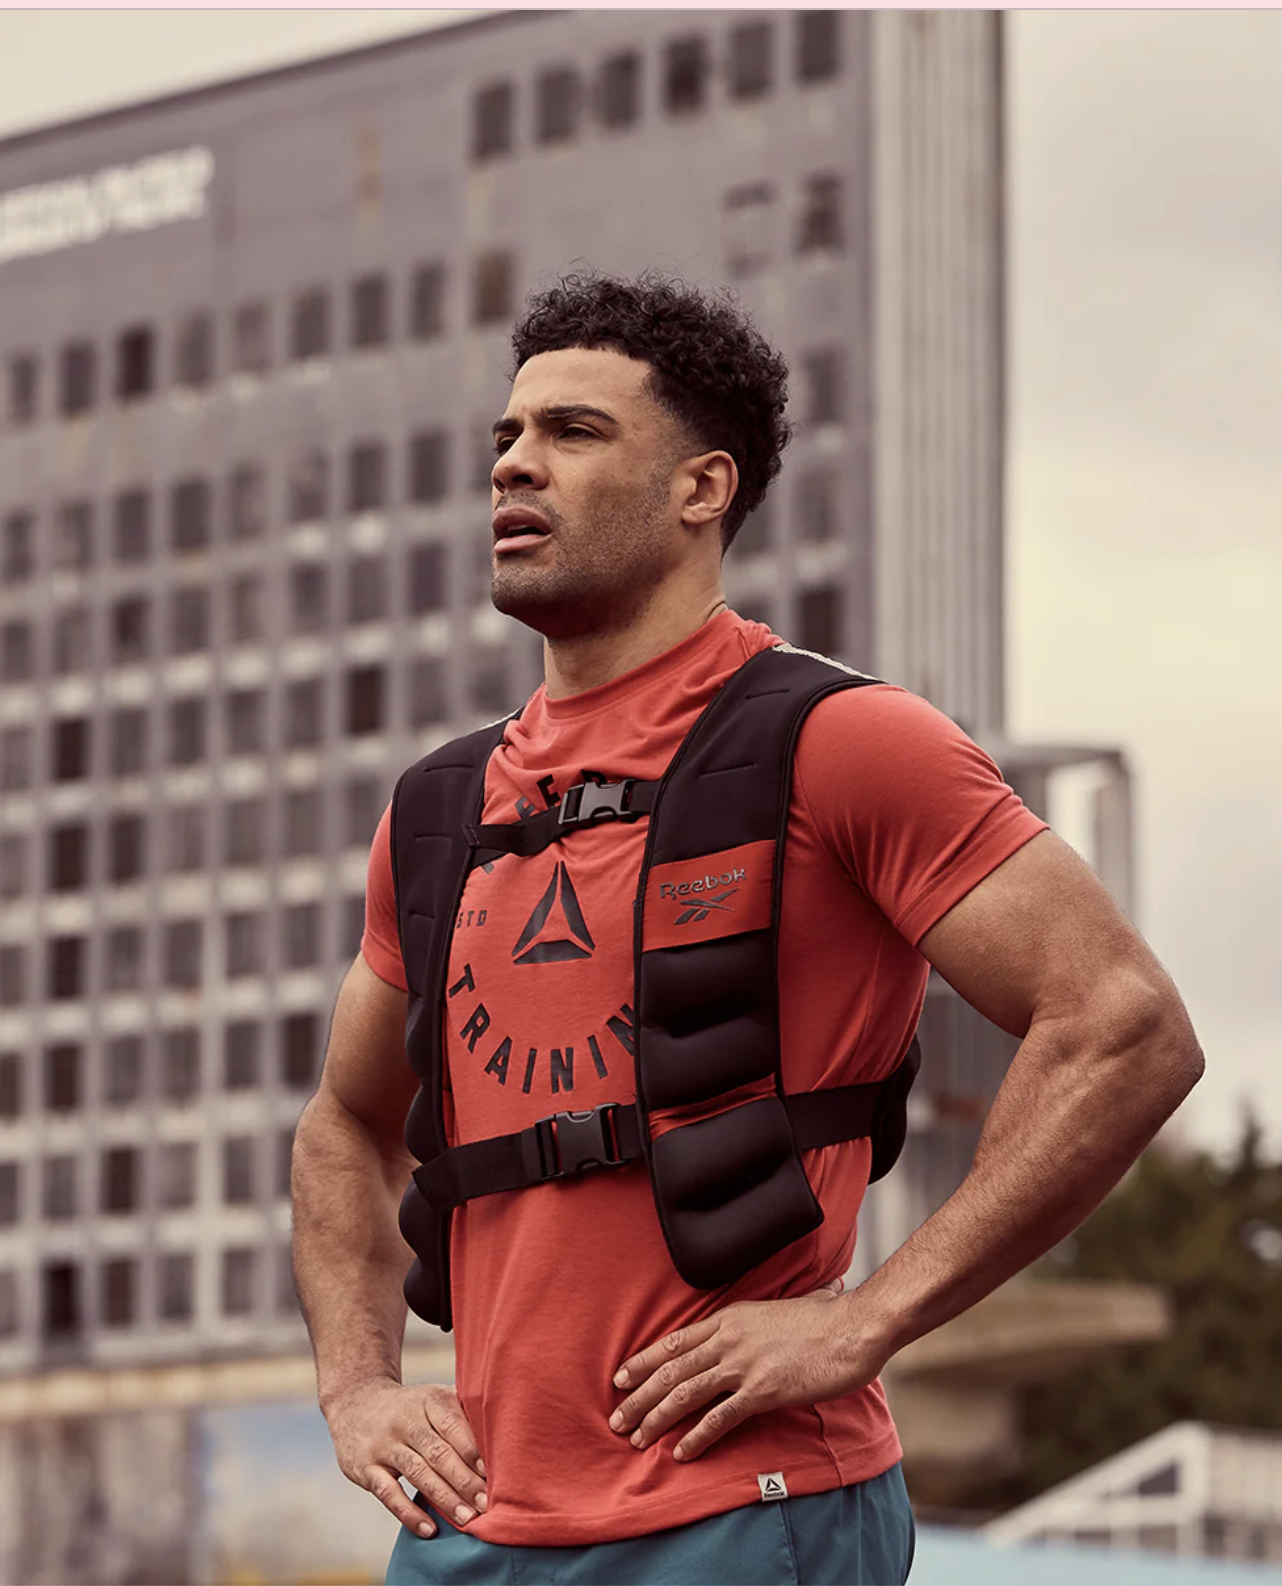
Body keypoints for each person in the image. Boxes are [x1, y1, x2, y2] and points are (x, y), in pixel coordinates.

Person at [291, 270, 1204, 1586]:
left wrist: (869, 1318)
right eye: (507, 435)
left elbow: (1124, 1025)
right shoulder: (439, 804)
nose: (514, 465)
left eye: (573, 431)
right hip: (471, 1534)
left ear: (701, 488)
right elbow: (345, 1122)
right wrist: (356, 1388)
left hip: (746, 1513)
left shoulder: (844, 742)